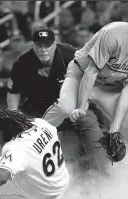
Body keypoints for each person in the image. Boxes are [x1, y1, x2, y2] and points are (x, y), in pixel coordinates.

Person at [42, 11, 128, 199]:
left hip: (113, 87)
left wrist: (115, 128)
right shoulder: (114, 33)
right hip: (82, 75)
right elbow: (91, 72)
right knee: (65, 109)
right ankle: (33, 134)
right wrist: (82, 106)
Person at [7, 27, 107, 175]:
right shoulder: (23, 62)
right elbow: (13, 93)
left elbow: (91, 78)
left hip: (73, 105)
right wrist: (14, 116)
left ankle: (109, 173)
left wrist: (82, 105)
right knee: (19, 133)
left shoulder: (71, 55)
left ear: (55, 44)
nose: (43, 50)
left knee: (90, 125)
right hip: (39, 109)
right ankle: (21, 173)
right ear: (33, 45)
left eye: (47, 45)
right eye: (39, 45)